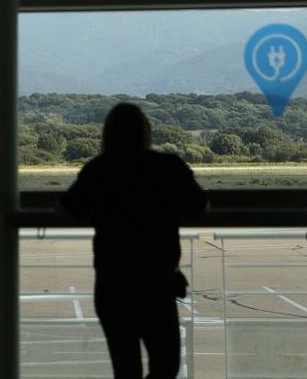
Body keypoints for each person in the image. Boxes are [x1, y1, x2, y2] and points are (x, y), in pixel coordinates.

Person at [59, 103, 207, 378]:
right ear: (146, 132)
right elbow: (198, 206)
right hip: (157, 283)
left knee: (126, 368)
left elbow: (71, 206)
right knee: (166, 365)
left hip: (113, 285)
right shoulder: (168, 167)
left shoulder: (99, 169)